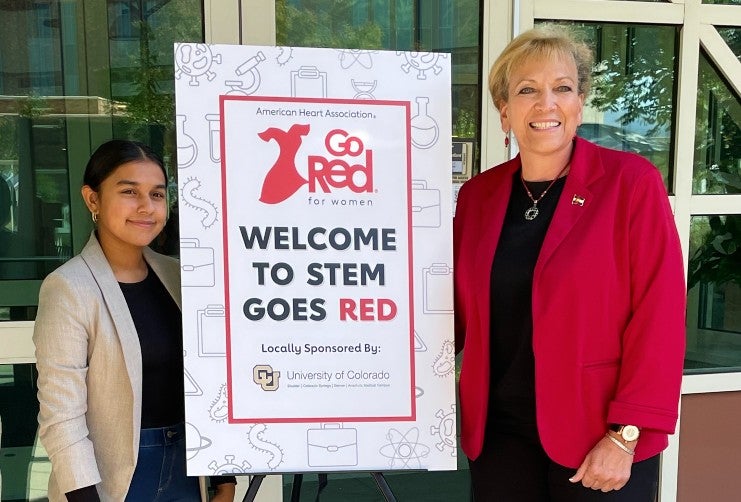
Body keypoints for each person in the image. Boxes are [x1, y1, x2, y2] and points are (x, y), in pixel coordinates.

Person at [454, 25, 686, 501]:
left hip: (597, 438)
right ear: (504, 113)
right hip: (501, 438)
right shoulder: (478, 196)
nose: (546, 104)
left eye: (562, 88)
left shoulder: (630, 184)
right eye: (526, 91)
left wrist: (626, 434)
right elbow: (448, 310)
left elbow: (659, 316)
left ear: (580, 104)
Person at [33, 140, 236, 501]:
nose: (146, 207)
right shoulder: (69, 286)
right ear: (93, 199)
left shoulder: (178, 276)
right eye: (129, 192)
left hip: (189, 468)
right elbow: (61, 416)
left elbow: (207, 381)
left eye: (157, 194)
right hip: (113, 478)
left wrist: (223, 473)